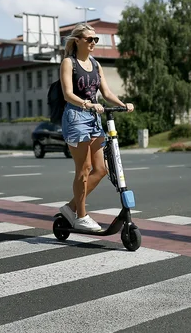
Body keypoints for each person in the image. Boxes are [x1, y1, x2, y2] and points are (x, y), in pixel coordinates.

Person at [59, 23, 134, 231]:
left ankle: (70, 208)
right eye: (89, 39)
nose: (93, 43)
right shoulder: (69, 63)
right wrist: (87, 104)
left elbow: (107, 93)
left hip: (93, 118)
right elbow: (67, 94)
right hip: (76, 117)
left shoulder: (95, 63)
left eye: (96, 39)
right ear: (78, 41)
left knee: (101, 170)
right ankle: (80, 216)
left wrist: (122, 105)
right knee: (83, 170)